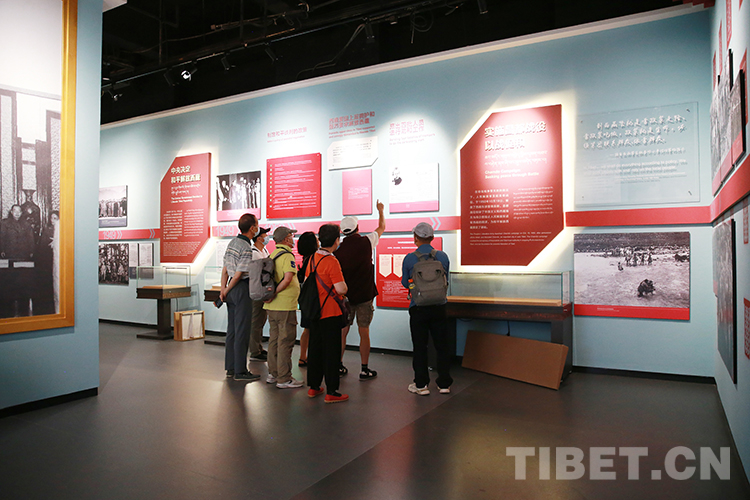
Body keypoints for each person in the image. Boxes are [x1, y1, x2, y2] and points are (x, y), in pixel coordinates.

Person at [334, 200, 386, 380]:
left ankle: (338, 365)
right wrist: (380, 211)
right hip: (365, 296)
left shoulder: (338, 251)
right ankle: (364, 369)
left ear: (342, 232)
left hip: (345, 298)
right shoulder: (367, 241)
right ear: (358, 228)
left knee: (343, 332)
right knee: (364, 332)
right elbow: (382, 227)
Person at [401, 222, 452, 396]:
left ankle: (421, 385)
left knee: (420, 347)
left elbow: (405, 282)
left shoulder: (410, 258)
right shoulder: (442, 256)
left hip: (418, 307)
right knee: (442, 346)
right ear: (432, 237)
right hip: (439, 306)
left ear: (415, 238)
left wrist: (416, 287)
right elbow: (446, 279)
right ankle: (444, 384)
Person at [307, 224, 349, 403]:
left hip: (314, 311)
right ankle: (332, 391)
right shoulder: (332, 261)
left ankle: (314, 387)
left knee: (315, 349)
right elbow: (341, 289)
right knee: (332, 352)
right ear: (337, 240)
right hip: (330, 312)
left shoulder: (312, 258)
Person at [219, 213, 261, 382]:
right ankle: (240, 370)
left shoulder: (232, 243)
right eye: (256, 225)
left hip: (230, 289)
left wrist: (223, 289)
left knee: (232, 331)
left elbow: (225, 270)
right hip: (241, 289)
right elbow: (238, 275)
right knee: (242, 331)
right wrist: (227, 289)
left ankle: (230, 367)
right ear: (252, 228)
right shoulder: (245, 247)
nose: (258, 228)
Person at [263, 226, 304, 389]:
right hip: (284, 306)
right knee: (285, 341)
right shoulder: (287, 256)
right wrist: (274, 293)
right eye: (291, 236)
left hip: (271, 306)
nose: (293, 239)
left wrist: (270, 295)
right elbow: (287, 279)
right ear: (286, 239)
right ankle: (284, 378)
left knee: (274, 340)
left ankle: (273, 374)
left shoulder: (272, 254)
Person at [296, 231, 319, 367]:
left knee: (307, 329)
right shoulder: (314, 260)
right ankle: (312, 357)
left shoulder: (304, 260)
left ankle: (302, 356)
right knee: (313, 329)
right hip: (313, 300)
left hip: (305, 300)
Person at [248, 226, 271, 362]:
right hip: (257, 291)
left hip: (264, 290)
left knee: (261, 320)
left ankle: (258, 347)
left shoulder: (264, 251)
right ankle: (255, 351)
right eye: (264, 235)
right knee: (256, 321)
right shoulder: (254, 253)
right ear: (258, 238)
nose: (267, 237)